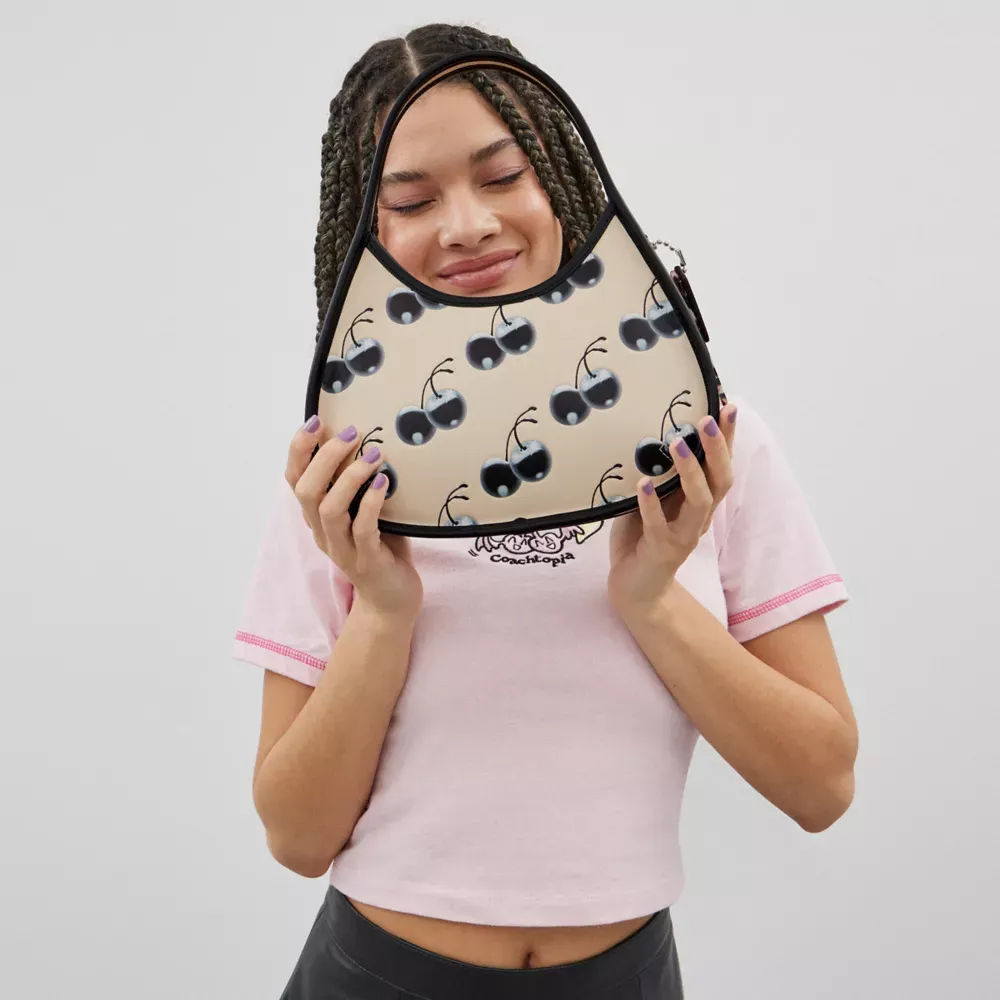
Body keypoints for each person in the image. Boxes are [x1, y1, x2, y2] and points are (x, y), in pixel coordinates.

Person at [232, 22, 859, 1000]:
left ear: (560, 181)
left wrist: (651, 599)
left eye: (501, 175)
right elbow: (296, 837)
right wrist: (383, 610)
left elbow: (822, 786)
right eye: (412, 201)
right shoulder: (341, 475)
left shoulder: (706, 449)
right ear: (365, 233)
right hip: (377, 974)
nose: (466, 223)